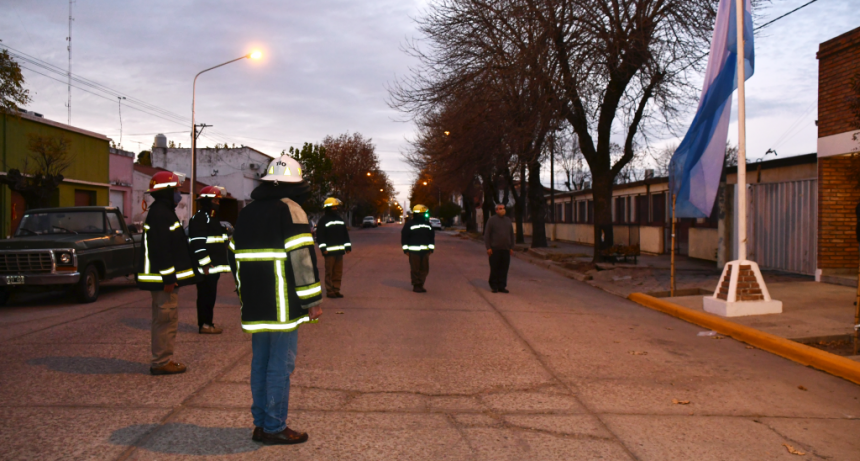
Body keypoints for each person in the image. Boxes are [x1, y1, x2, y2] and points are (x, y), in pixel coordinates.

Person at [228, 155, 323, 445]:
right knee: (280, 367)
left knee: (261, 363)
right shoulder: (291, 210)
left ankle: (261, 424)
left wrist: (243, 292)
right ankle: (274, 427)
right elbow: (302, 259)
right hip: (283, 306)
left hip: (255, 304)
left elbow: (233, 256)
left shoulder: (247, 212)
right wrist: (312, 300)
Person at [136, 171, 201, 375]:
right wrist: (169, 278)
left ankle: (162, 360)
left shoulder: (162, 212)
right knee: (166, 320)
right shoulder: (161, 214)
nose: (178, 194)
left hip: (163, 278)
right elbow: (161, 249)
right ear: (166, 191)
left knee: (164, 319)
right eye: (175, 190)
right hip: (163, 280)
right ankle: (162, 362)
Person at [188, 185, 232, 334]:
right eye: (215, 201)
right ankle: (205, 325)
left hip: (213, 267)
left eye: (218, 201)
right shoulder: (201, 218)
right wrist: (205, 264)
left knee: (210, 296)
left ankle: (208, 323)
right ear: (207, 201)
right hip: (206, 267)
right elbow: (198, 243)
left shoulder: (212, 218)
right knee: (205, 296)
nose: (218, 204)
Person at [315, 197, 352, 298]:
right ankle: (330, 290)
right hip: (329, 253)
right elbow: (320, 236)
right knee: (329, 272)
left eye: (336, 207)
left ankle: (336, 289)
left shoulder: (340, 219)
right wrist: (323, 249)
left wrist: (347, 247)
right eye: (333, 207)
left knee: (338, 272)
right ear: (328, 208)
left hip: (339, 252)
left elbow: (345, 234)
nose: (335, 209)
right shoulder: (323, 220)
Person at [401, 204, 435, 293]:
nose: (424, 215)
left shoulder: (427, 224)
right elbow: (404, 237)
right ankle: (416, 285)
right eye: (423, 213)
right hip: (413, 252)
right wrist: (406, 250)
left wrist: (431, 249)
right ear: (418, 214)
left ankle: (421, 284)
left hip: (425, 251)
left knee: (424, 269)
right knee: (415, 269)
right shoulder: (409, 224)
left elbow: (431, 237)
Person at [484, 203, 514, 293]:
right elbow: (487, 234)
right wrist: (488, 247)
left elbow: (511, 234)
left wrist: (511, 247)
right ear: (496, 210)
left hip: (506, 249)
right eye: (500, 208)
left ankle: (502, 286)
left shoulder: (508, 220)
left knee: (504, 269)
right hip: (494, 249)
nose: (502, 210)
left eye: (503, 208)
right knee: (495, 268)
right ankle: (494, 286)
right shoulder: (491, 220)